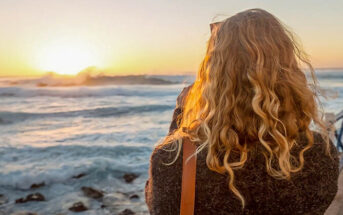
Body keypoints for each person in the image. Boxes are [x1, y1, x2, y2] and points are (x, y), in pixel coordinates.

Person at [145, 8, 339, 215]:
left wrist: (182, 117)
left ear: (212, 77)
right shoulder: (319, 153)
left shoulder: (173, 158)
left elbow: (160, 206)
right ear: (289, 73)